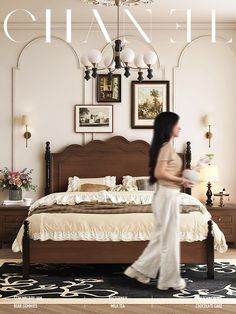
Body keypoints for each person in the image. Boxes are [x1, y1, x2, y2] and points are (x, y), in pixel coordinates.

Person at [124, 112, 194, 290]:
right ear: (169, 127)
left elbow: (167, 172)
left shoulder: (168, 147)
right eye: (177, 124)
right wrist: (181, 180)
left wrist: (182, 177)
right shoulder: (166, 148)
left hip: (168, 195)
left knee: (162, 238)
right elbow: (159, 173)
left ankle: (139, 271)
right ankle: (169, 280)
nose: (180, 127)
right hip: (165, 195)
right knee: (168, 239)